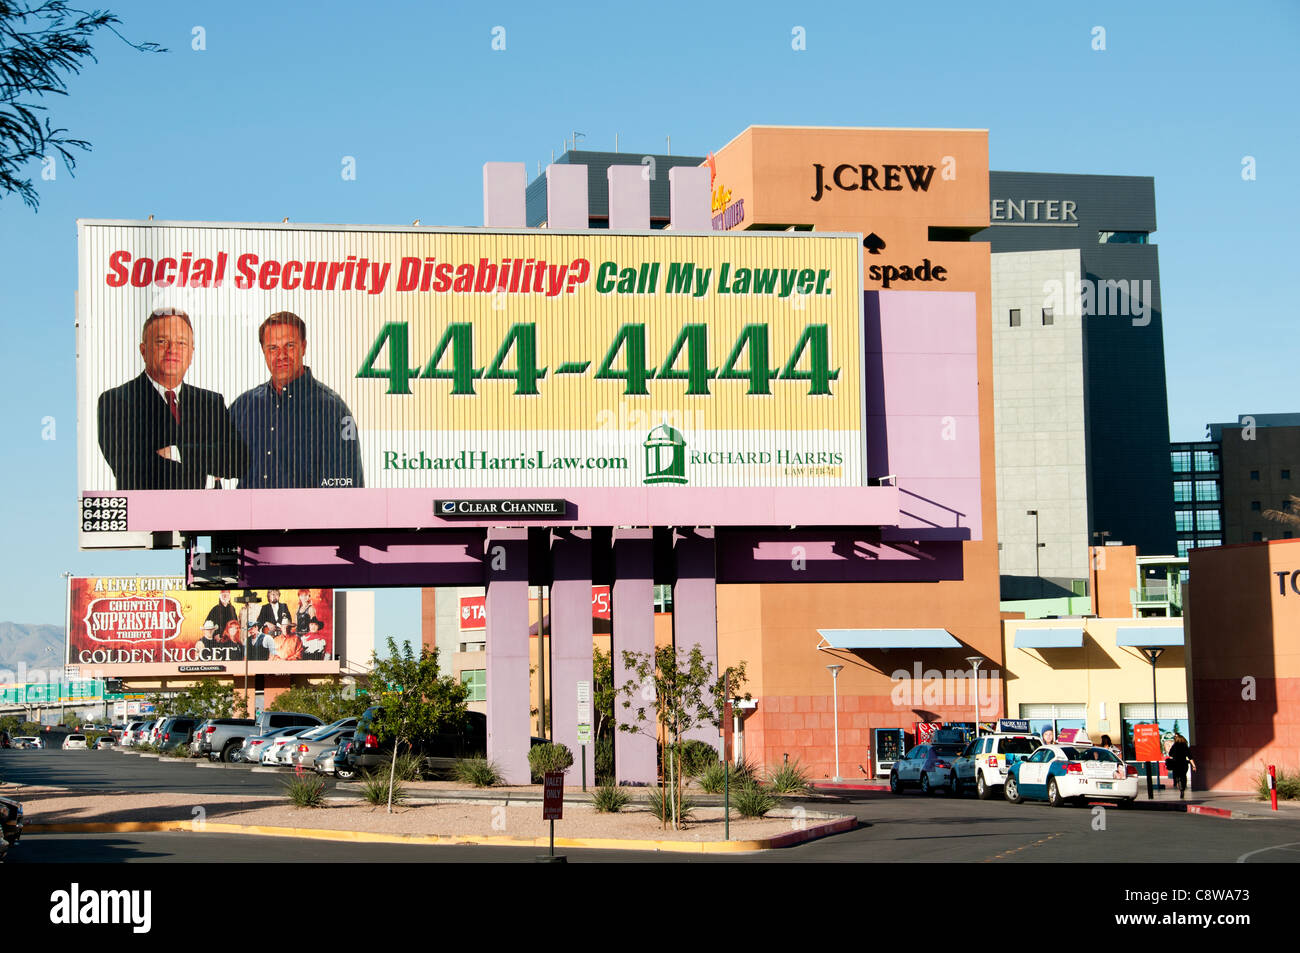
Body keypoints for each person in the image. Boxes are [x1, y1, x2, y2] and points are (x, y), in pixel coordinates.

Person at [96, 307, 248, 489]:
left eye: (181, 343)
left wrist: (178, 452)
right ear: (143, 350)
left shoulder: (211, 402)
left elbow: (239, 460)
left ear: (191, 353)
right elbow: (132, 468)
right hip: (147, 514)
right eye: (162, 341)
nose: (172, 350)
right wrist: (208, 477)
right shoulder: (116, 400)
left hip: (207, 513)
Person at [230, 311, 364, 488]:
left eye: (290, 346)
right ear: (263, 351)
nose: (281, 355)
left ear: (304, 346)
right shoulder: (243, 405)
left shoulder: (333, 410)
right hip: (248, 515)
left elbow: (349, 486)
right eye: (273, 348)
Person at [1166, 733, 1196, 798]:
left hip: (1176, 763)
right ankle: (1183, 788)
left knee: (1177, 776)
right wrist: (1193, 765)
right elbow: (1190, 757)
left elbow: (1170, 754)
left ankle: (1180, 787)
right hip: (1183, 763)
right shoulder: (1185, 746)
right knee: (1183, 776)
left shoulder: (1174, 746)